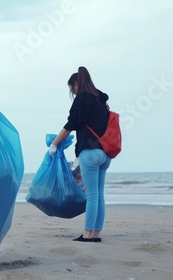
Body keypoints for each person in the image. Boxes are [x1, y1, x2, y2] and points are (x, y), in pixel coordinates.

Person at [49, 67, 111, 242]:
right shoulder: (101, 101)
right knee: (99, 194)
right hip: (105, 154)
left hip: (90, 154)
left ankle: (87, 234)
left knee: (91, 195)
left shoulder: (83, 97)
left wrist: (54, 144)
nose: (73, 92)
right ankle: (96, 234)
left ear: (76, 83)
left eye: (72, 88)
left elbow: (71, 124)